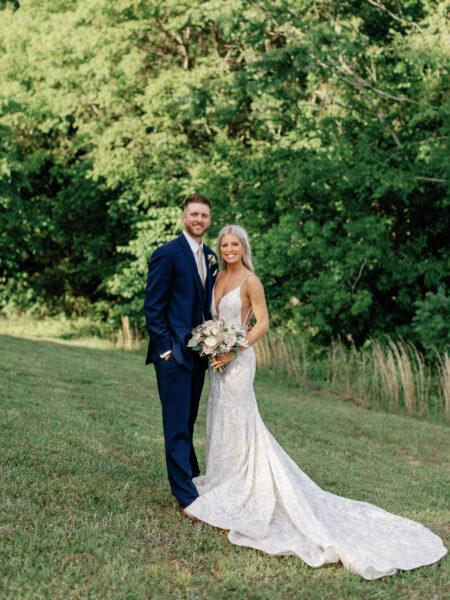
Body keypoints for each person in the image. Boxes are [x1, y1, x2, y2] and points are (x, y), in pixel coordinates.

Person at [184, 224, 447, 580]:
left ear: (244, 247)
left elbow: (262, 323)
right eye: (225, 244)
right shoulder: (216, 278)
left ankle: (245, 490)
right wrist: (212, 345)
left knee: (240, 419)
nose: (229, 249)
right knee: (219, 419)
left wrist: (233, 349)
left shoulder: (250, 280)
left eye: (235, 244)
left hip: (238, 362)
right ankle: (221, 479)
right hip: (218, 363)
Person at [144, 193, 218, 511]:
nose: (198, 219)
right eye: (193, 214)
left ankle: (192, 477)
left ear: (209, 220)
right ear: (183, 217)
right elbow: (153, 306)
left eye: (204, 215)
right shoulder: (168, 254)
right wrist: (165, 351)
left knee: (187, 422)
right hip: (173, 354)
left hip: (198, 354)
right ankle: (185, 497)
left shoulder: (211, 256)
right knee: (175, 425)